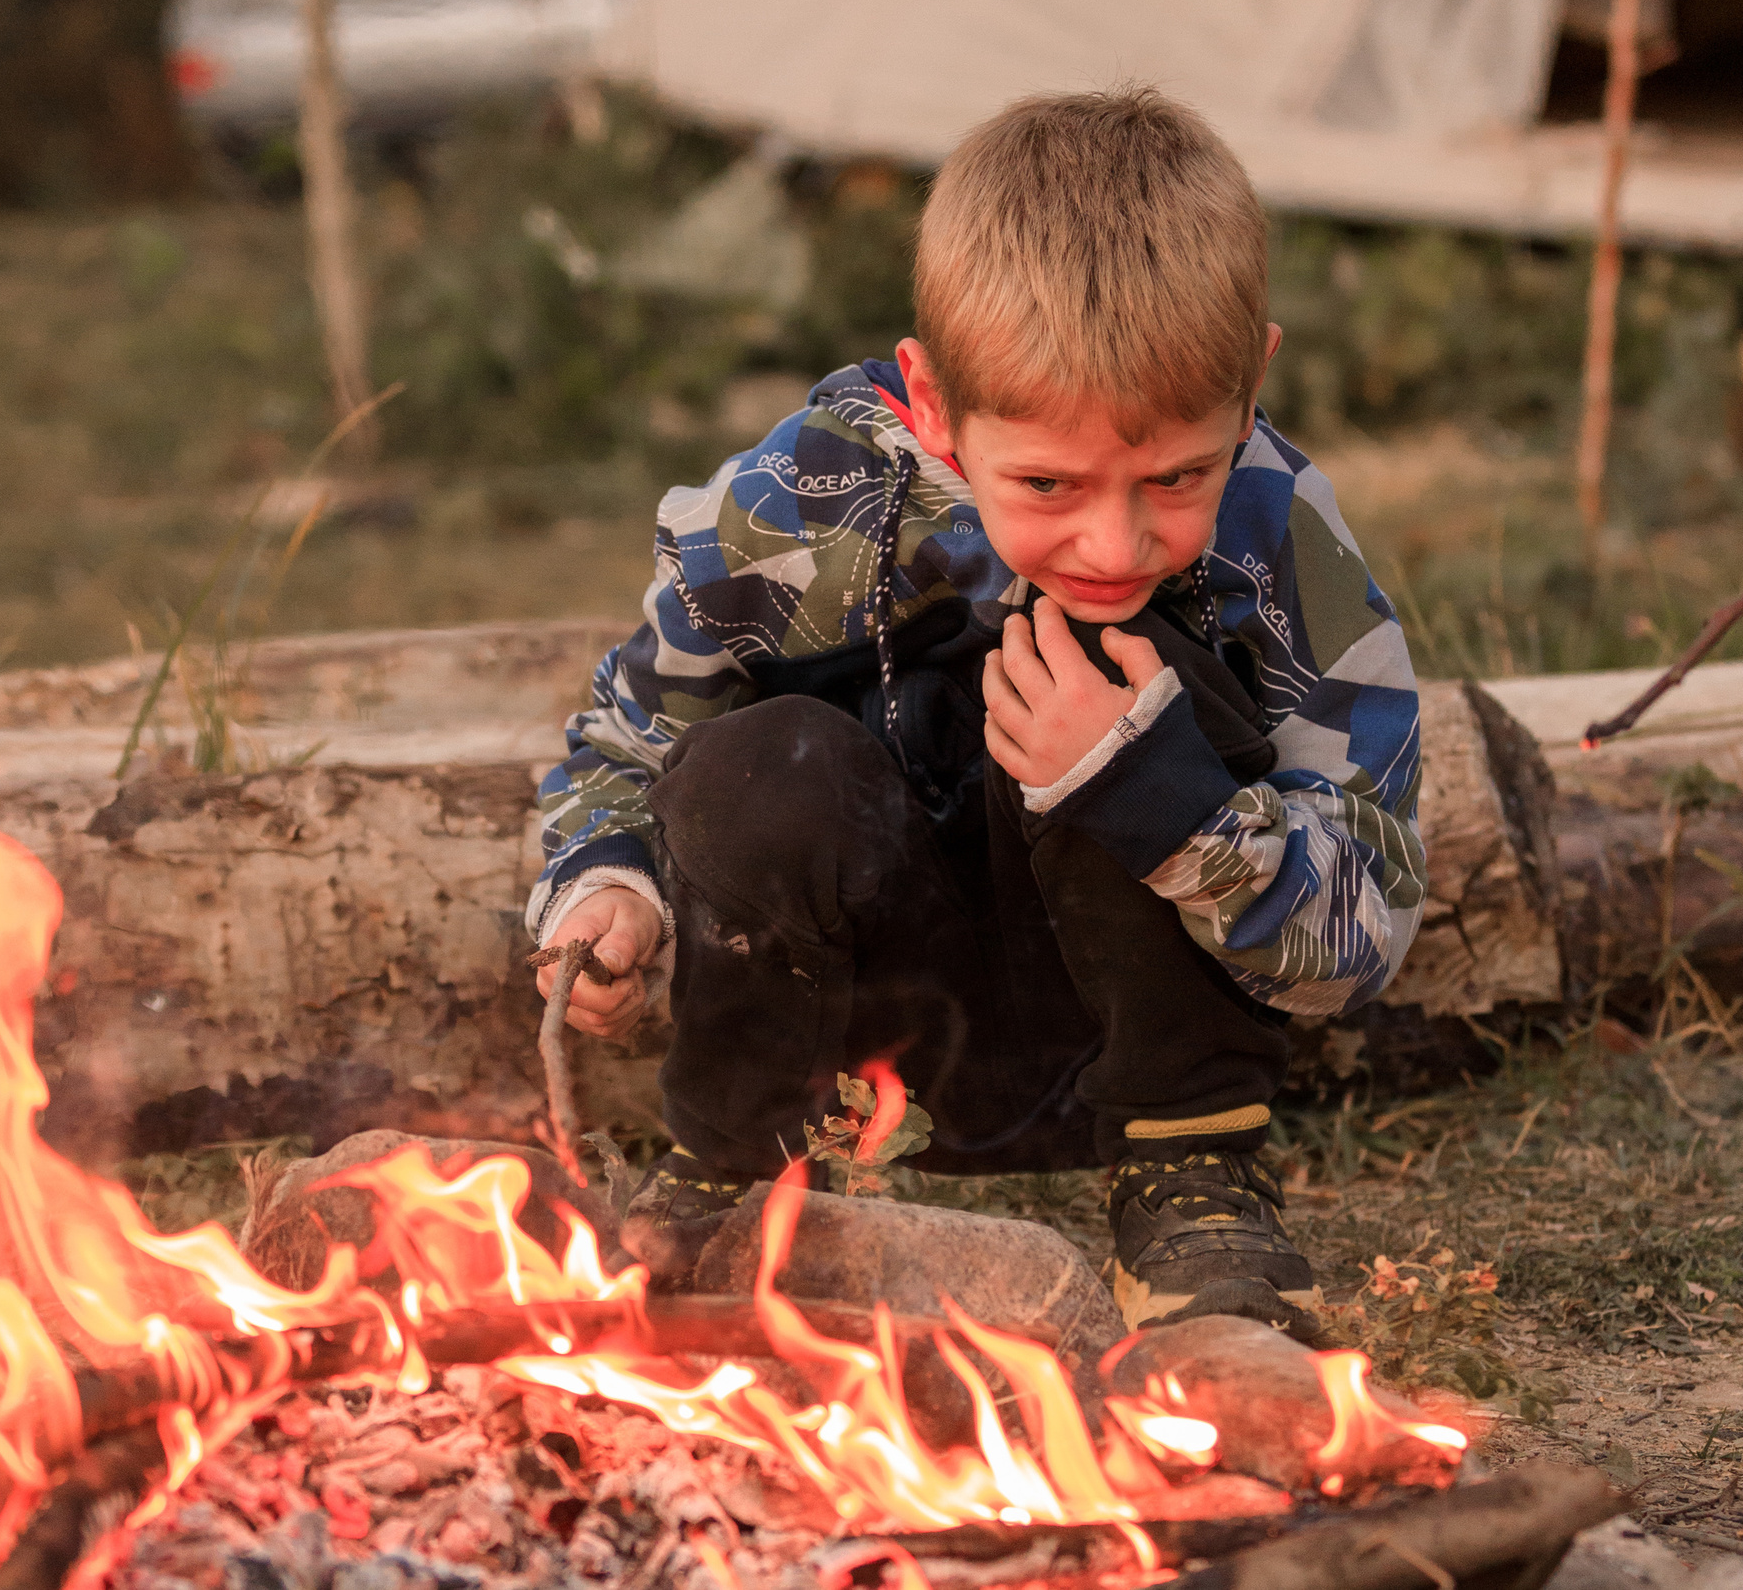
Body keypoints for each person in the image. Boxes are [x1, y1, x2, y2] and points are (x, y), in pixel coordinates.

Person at [529, 86, 1425, 1338]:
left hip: (1135, 1040)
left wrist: (1162, 802)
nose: (1116, 536)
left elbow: (1365, 935)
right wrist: (602, 883)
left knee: (1136, 666)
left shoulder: (1281, 541)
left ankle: (1191, 1176)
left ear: (1251, 380)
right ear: (933, 403)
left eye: (1178, 476)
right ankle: (733, 1165)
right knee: (752, 760)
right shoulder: (786, 518)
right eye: (1048, 482)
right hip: (855, 1049)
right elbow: (624, 742)